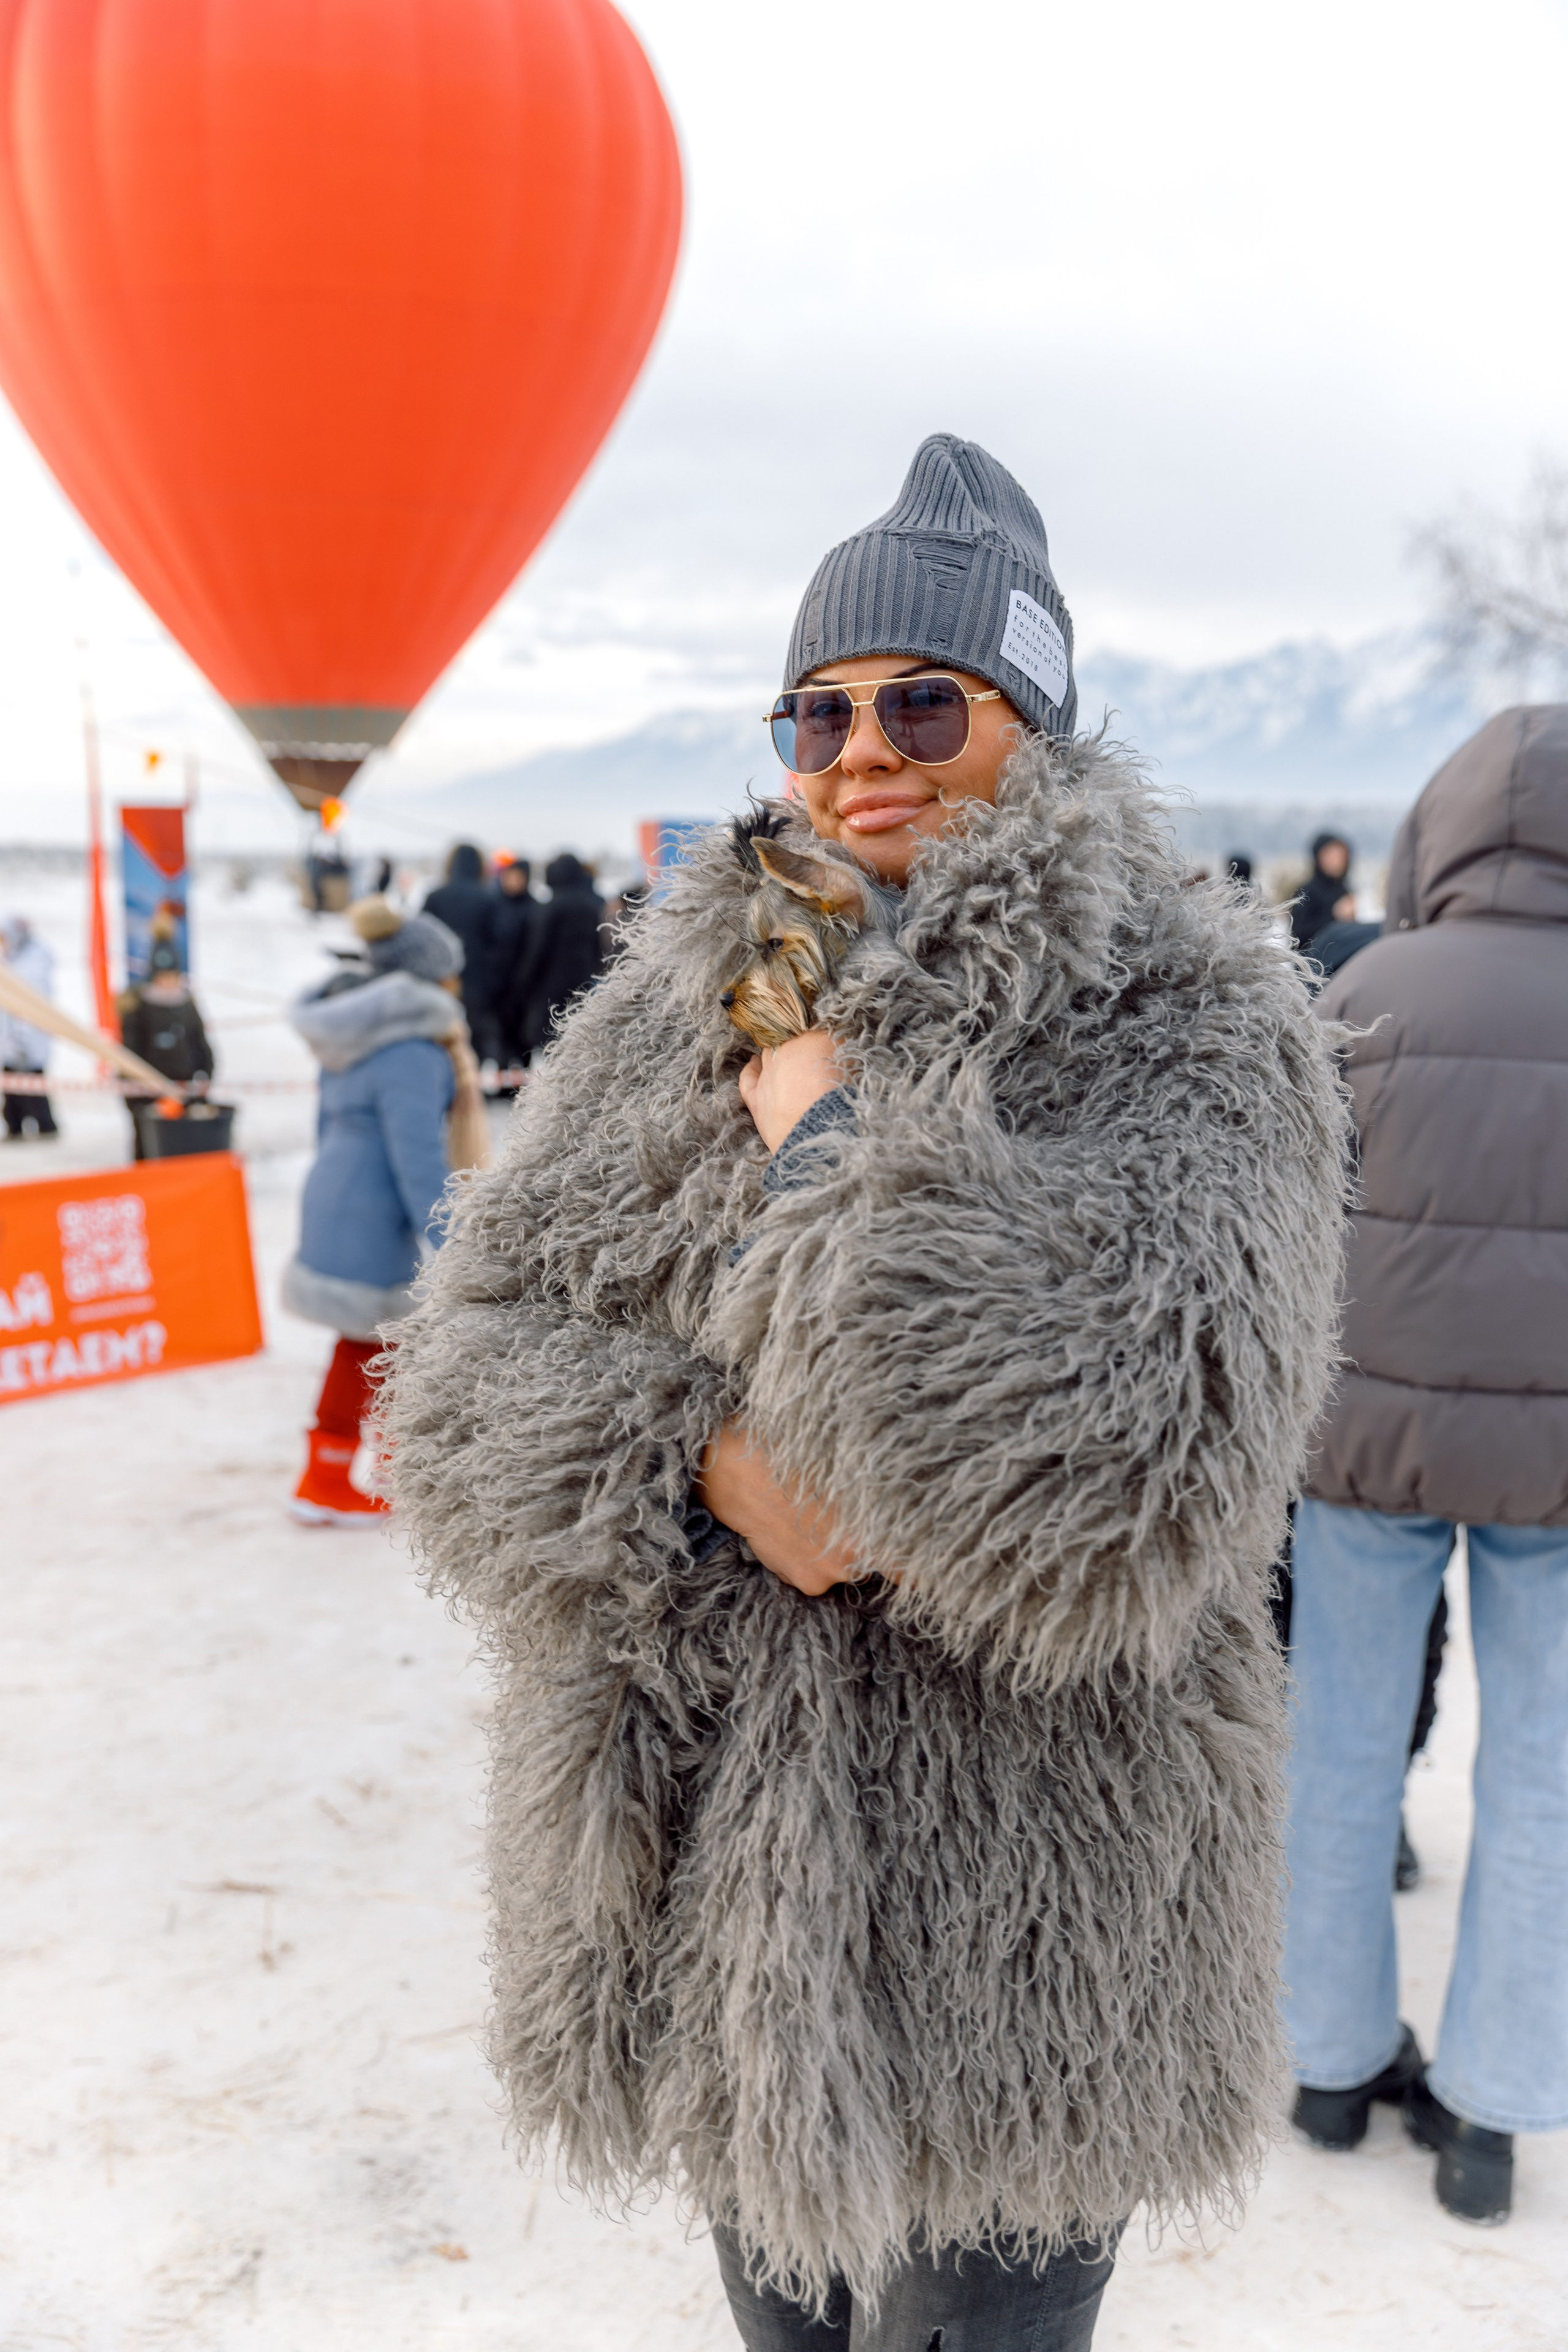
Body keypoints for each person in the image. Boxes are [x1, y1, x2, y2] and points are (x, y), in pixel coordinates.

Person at [382, 434, 1346, 2347]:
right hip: (719, 1890)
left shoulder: (1192, 1011)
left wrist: (822, 1117)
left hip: (1041, 1908)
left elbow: (1147, 1458)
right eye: (813, 709)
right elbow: (460, 1376)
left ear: (1039, 725)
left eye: (925, 697)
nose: (859, 749)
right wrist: (700, 1461)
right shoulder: (697, 988)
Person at [1284, 706, 1568, 2226]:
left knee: (1333, 1739)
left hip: (1360, 1437)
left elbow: (1288, 1213)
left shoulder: (1364, 984)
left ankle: (1327, 2066)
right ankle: (1487, 2115)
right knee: (1543, 1771)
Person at [281, 897, 466, 1525]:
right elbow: (416, 1157)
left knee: (388, 1340)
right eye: (449, 972)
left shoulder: (357, 1037)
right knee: (369, 1343)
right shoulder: (411, 1051)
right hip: (371, 1208)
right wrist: (451, 1237)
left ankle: (386, 1464)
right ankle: (325, 1481)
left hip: (339, 1195)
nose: (457, 984)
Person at [119, 931, 216, 1157]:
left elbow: (201, 1045)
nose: (168, 982)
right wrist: (138, 1097)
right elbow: (129, 1054)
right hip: (147, 1096)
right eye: (163, 976)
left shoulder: (186, 1005)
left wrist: (203, 1083)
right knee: (149, 1152)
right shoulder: (138, 1008)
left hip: (184, 1094)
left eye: (172, 976)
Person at [513, 851, 603, 1052]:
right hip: (583, 985)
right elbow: (598, 948)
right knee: (579, 1044)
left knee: (551, 1046)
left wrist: (524, 982)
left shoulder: (550, 907)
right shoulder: (591, 906)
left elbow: (537, 950)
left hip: (549, 989)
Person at [424, 844, 498, 1061]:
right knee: (477, 1033)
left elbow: (423, 937)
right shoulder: (487, 898)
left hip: (442, 978)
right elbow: (498, 941)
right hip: (479, 977)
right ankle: (474, 1077)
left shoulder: (435, 897)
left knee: (442, 1030)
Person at [1, 913, 58, 1140]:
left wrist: (22, 1038)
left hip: (29, 1038)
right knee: (13, 1089)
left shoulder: (34, 961)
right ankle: (15, 1127)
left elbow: (30, 1003)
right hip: (10, 1040)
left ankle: (45, 1127)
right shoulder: (11, 958)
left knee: (34, 1086)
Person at [487, 854, 536, 1076]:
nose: (512, 883)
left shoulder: (534, 907)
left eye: (517, 878)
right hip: (499, 980)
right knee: (500, 1033)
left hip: (525, 982)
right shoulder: (494, 904)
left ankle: (521, 1080)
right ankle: (501, 1076)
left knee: (523, 1035)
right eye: (509, 878)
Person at [1289, 831, 1355, 953]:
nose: (1337, 862)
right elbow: (1296, 938)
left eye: (1341, 856)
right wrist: (1335, 916)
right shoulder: (1306, 892)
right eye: (1331, 856)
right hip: (1313, 967)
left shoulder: (1344, 890)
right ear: (1318, 858)